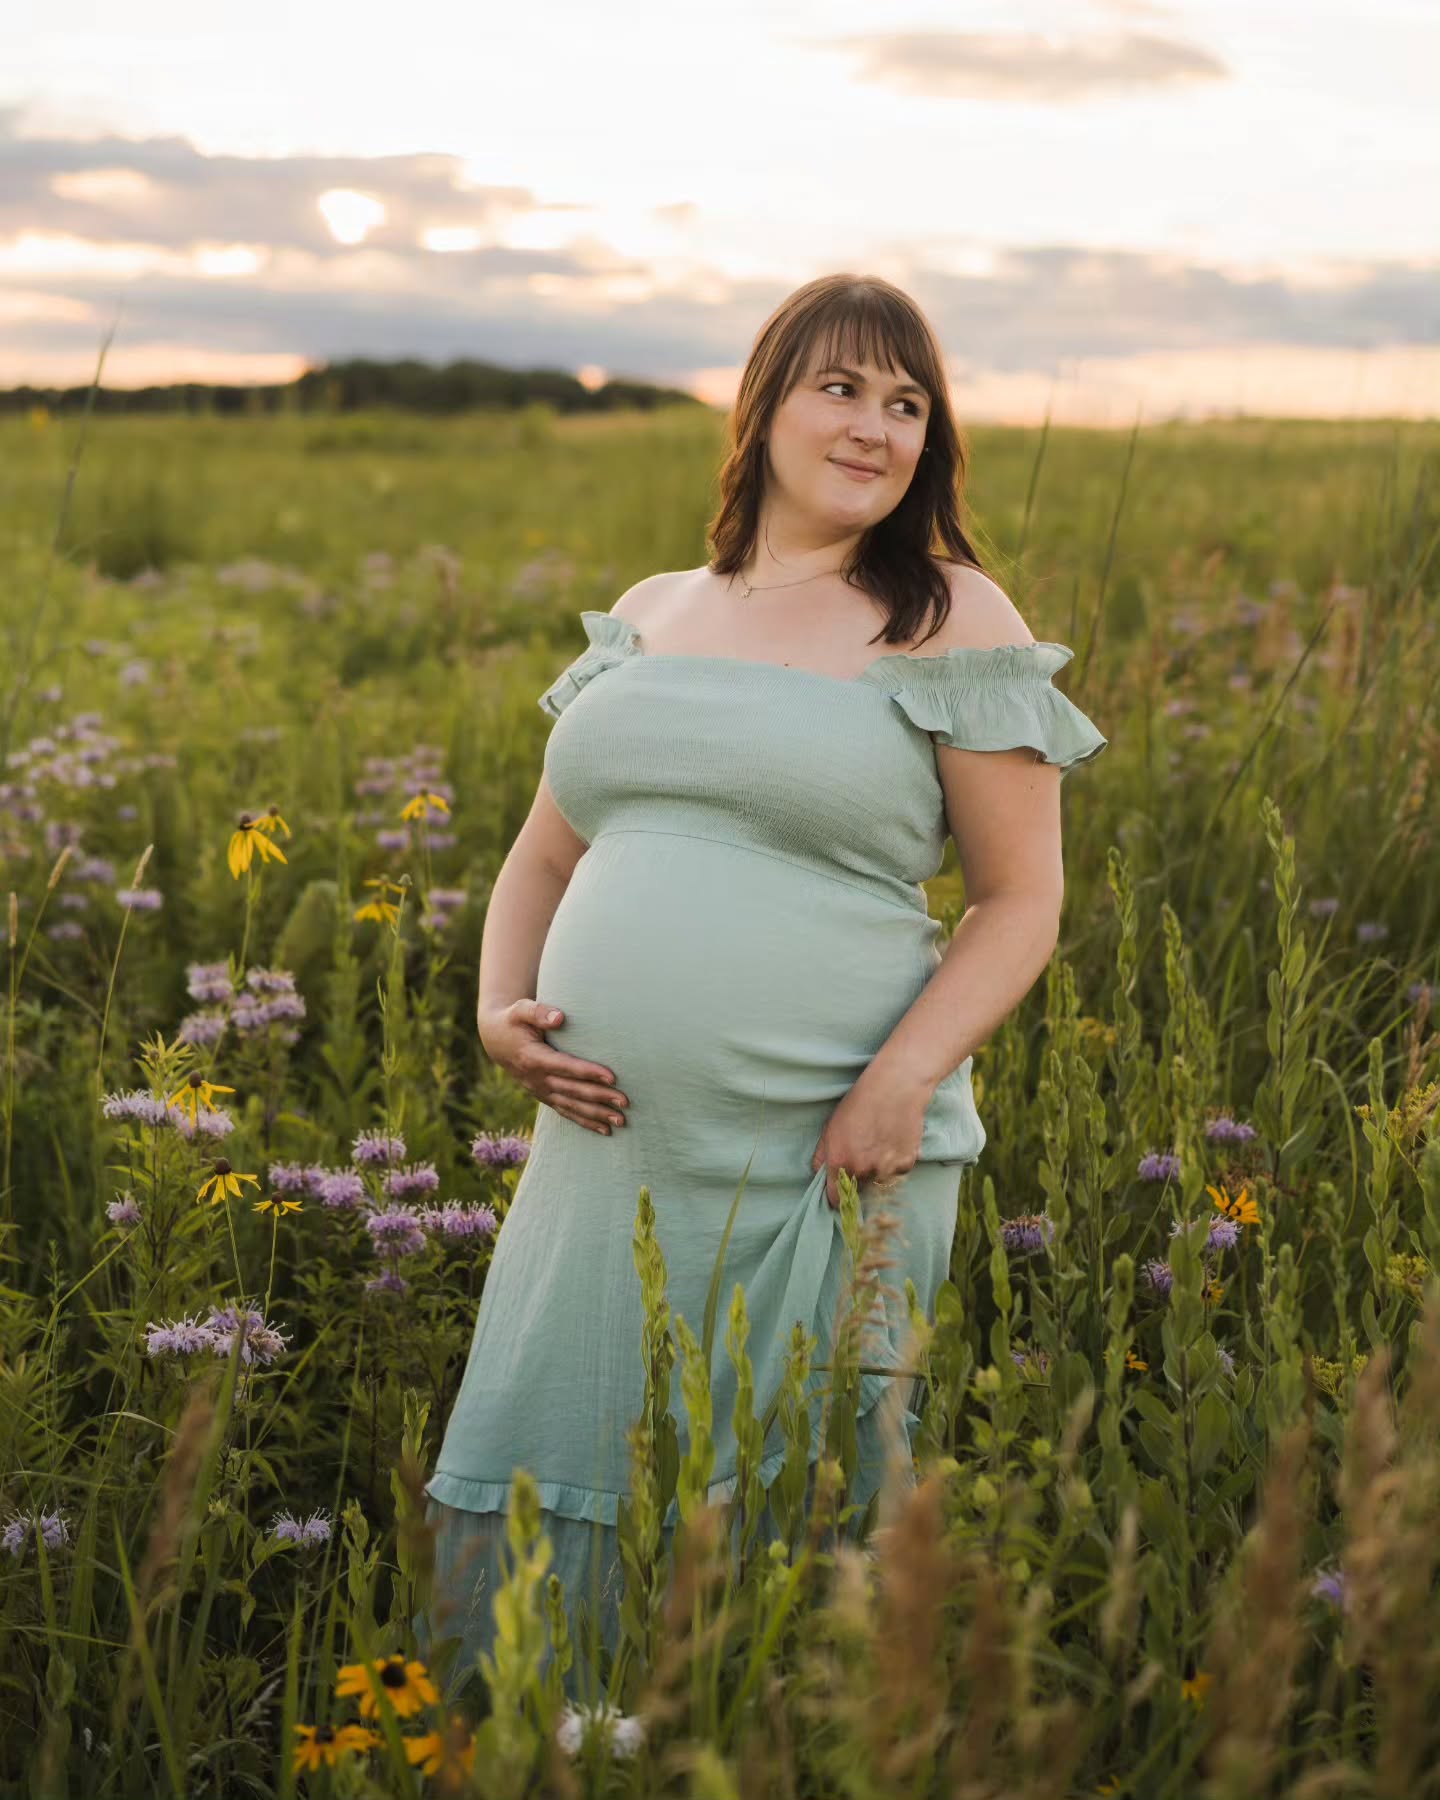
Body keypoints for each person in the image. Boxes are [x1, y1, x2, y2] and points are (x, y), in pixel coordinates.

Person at [418, 272, 1109, 1703]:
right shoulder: (653, 610)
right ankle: (558, 1732)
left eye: (908, 404)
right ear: (766, 406)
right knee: (572, 1427)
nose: (875, 428)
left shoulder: (949, 613)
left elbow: (1021, 898)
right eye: (842, 390)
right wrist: (499, 1004)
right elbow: (542, 857)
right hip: (605, 1146)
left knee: (787, 1465)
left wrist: (900, 1083)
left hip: (826, 1145)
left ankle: (752, 1735)